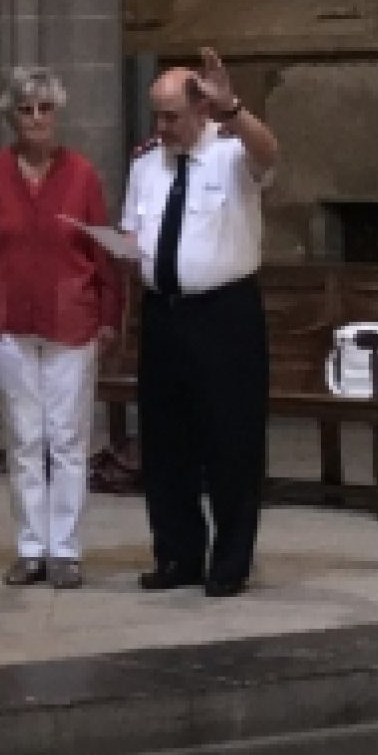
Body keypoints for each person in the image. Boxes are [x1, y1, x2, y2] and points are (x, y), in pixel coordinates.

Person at [121, 48, 281, 598]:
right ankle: (177, 554)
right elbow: (134, 230)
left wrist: (234, 108)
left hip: (223, 314)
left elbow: (270, 153)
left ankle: (230, 560)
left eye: (171, 117)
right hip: (163, 313)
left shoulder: (233, 154)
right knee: (165, 442)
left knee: (231, 439)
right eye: (156, 117)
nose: (161, 127)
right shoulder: (146, 164)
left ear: (202, 111)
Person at [0, 67, 121, 591]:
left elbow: (102, 251)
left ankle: (65, 550)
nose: (36, 119)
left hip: (71, 320)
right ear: (11, 117)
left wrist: (110, 317)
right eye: (26, 110)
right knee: (25, 438)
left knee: (68, 438)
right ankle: (31, 548)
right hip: (9, 322)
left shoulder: (82, 175)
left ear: (57, 113)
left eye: (45, 109)